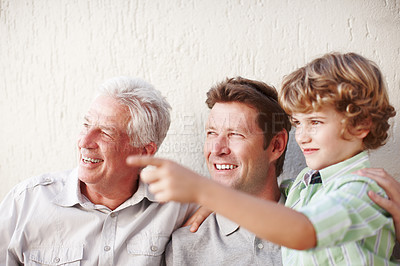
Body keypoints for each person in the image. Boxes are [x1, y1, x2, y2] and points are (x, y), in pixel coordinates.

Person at [128, 52, 397, 265]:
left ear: (361, 124)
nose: (302, 136)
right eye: (298, 122)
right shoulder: (305, 185)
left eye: (315, 121)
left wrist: (205, 192)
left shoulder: (362, 189)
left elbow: (303, 231)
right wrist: (223, 201)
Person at [0, 76, 198, 265]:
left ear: (145, 152)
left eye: (106, 132)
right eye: (86, 125)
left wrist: (211, 203)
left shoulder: (177, 207)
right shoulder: (25, 203)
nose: (84, 142)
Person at [142, 77, 291, 265]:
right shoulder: (185, 248)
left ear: (276, 145)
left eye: (235, 134)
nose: (217, 149)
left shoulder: (319, 223)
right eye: (211, 133)